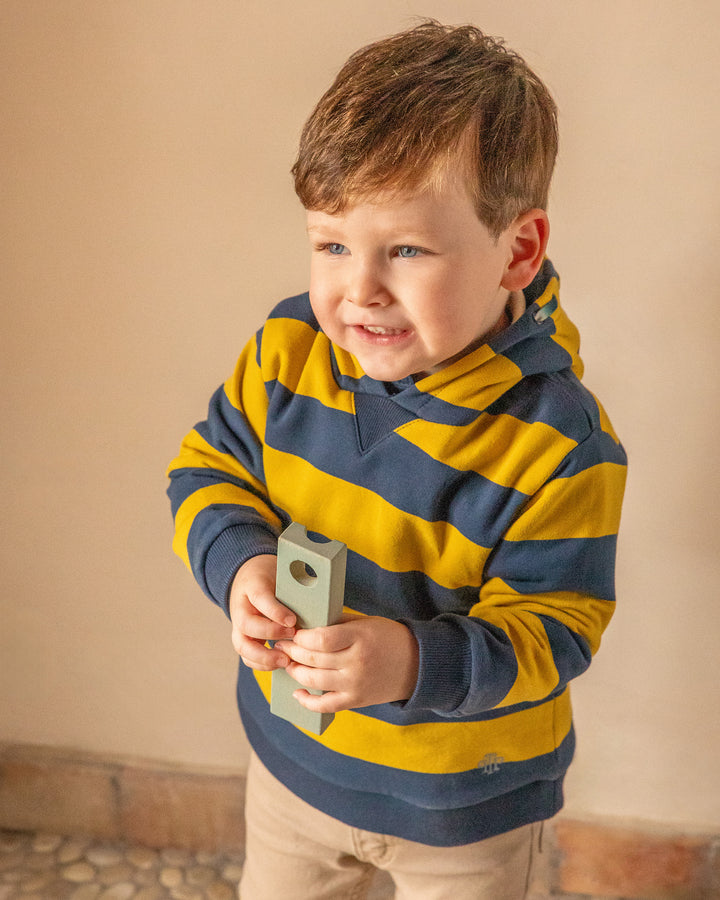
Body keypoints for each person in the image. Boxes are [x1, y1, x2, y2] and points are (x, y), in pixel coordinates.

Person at [167, 20, 627, 900]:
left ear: (517, 252)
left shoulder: (562, 443)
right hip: (297, 768)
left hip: (468, 811)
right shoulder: (286, 349)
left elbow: (556, 630)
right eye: (332, 244)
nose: (359, 288)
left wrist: (413, 663)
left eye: (407, 249)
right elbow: (207, 467)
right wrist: (241, 566)